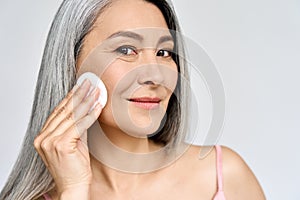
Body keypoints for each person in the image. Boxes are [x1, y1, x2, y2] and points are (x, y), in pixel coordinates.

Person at [0, 0, 265, 199]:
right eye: (126, 50)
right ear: (71, 65)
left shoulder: (223, 177)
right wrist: (74, 190)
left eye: (164, 52)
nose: (155, 76)